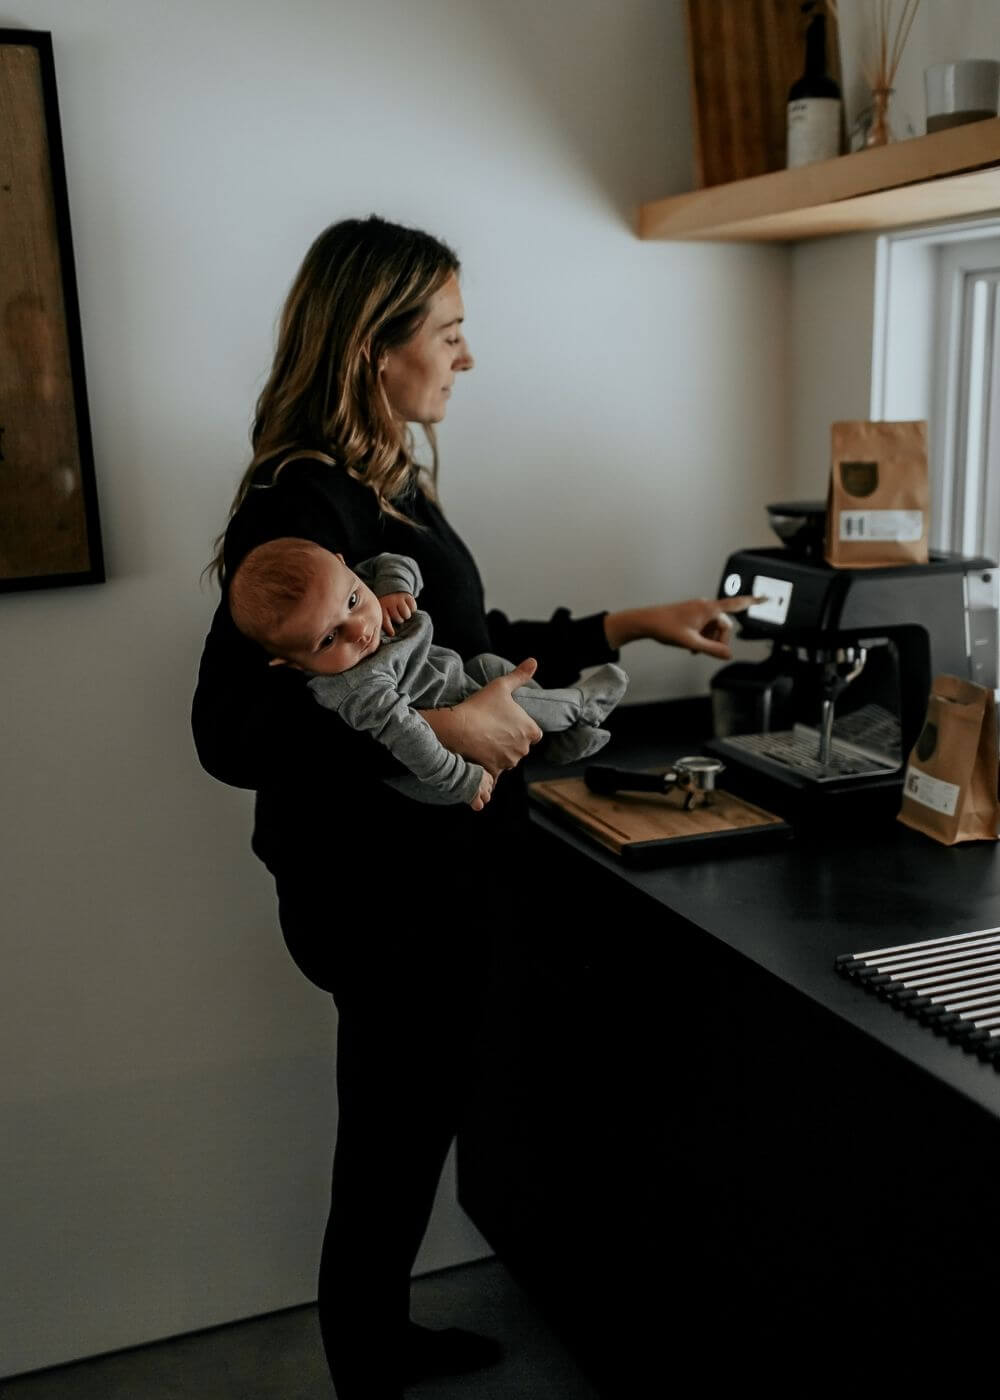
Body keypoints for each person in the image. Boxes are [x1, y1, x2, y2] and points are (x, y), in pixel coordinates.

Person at [191, 214, 755, 1399]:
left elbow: (470, 648)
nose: (467, 355)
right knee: (392, 1142)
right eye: (448, 331)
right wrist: (444, 733)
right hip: (382, 894)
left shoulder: (377, 485)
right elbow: (228, 731)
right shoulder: (303, 507)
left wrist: (632, 621)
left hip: (416, 881)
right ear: (369, 347)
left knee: (405, 1129)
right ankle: (369, 1365)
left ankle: (379, 1341)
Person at [227, 539, 630, 809]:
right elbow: (411, 738)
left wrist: (392, 589)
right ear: (294, 664)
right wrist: (461, 779)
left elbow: (391, 562)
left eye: (353, 600)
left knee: (490, 667)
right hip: (439, 766)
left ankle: (561, 738)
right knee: (514, 695)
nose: (361, 629)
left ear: (342, 564)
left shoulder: (345, 592)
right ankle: (581, 706)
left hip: (457, 681)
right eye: (329, 639)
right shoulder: (359, 687)